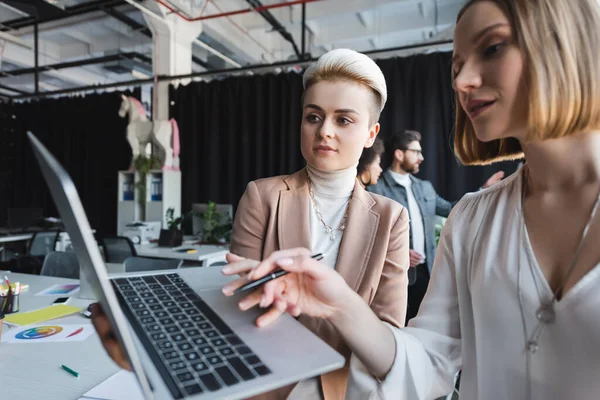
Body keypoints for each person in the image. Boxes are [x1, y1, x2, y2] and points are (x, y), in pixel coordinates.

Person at [222, 1, 600, 399]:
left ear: (564, 44)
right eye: (455, 67)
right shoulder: (472, 218)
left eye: (492, 48)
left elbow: (397, 334)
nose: (462, 81)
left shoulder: (404, 214)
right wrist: (337, 302)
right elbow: (427, 358)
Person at [93, 48, 411, 400]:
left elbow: (389, 340)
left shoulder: (391, 218)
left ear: (371, 133)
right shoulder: (263, 196)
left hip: (348, 388)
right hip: (266, 381)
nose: (325, 132)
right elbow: (238, 304)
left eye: (344, 120)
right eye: (313, 117)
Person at [369, 129, 504, 321]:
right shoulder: (376, 189)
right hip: (393, 274)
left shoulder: (425, 187)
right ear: (399, 154)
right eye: (416, 152)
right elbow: (370, 234)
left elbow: (451, 209)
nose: (421, 158)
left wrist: (483, 191)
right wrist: (396, 251)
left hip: (427, 274)